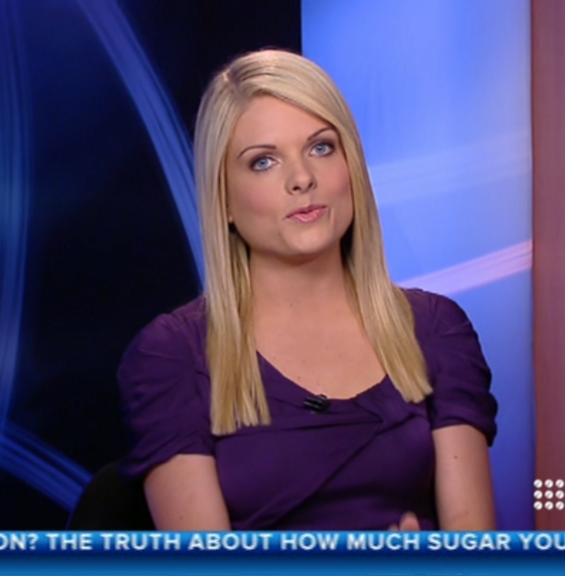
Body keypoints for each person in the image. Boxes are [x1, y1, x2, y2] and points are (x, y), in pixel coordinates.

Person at [117, 49, 498, 531]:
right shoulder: (172, 356)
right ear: (223, 200)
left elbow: (473, 548)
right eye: (263, 162)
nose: (302, 179)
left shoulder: (435, 329)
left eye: (321, 148)